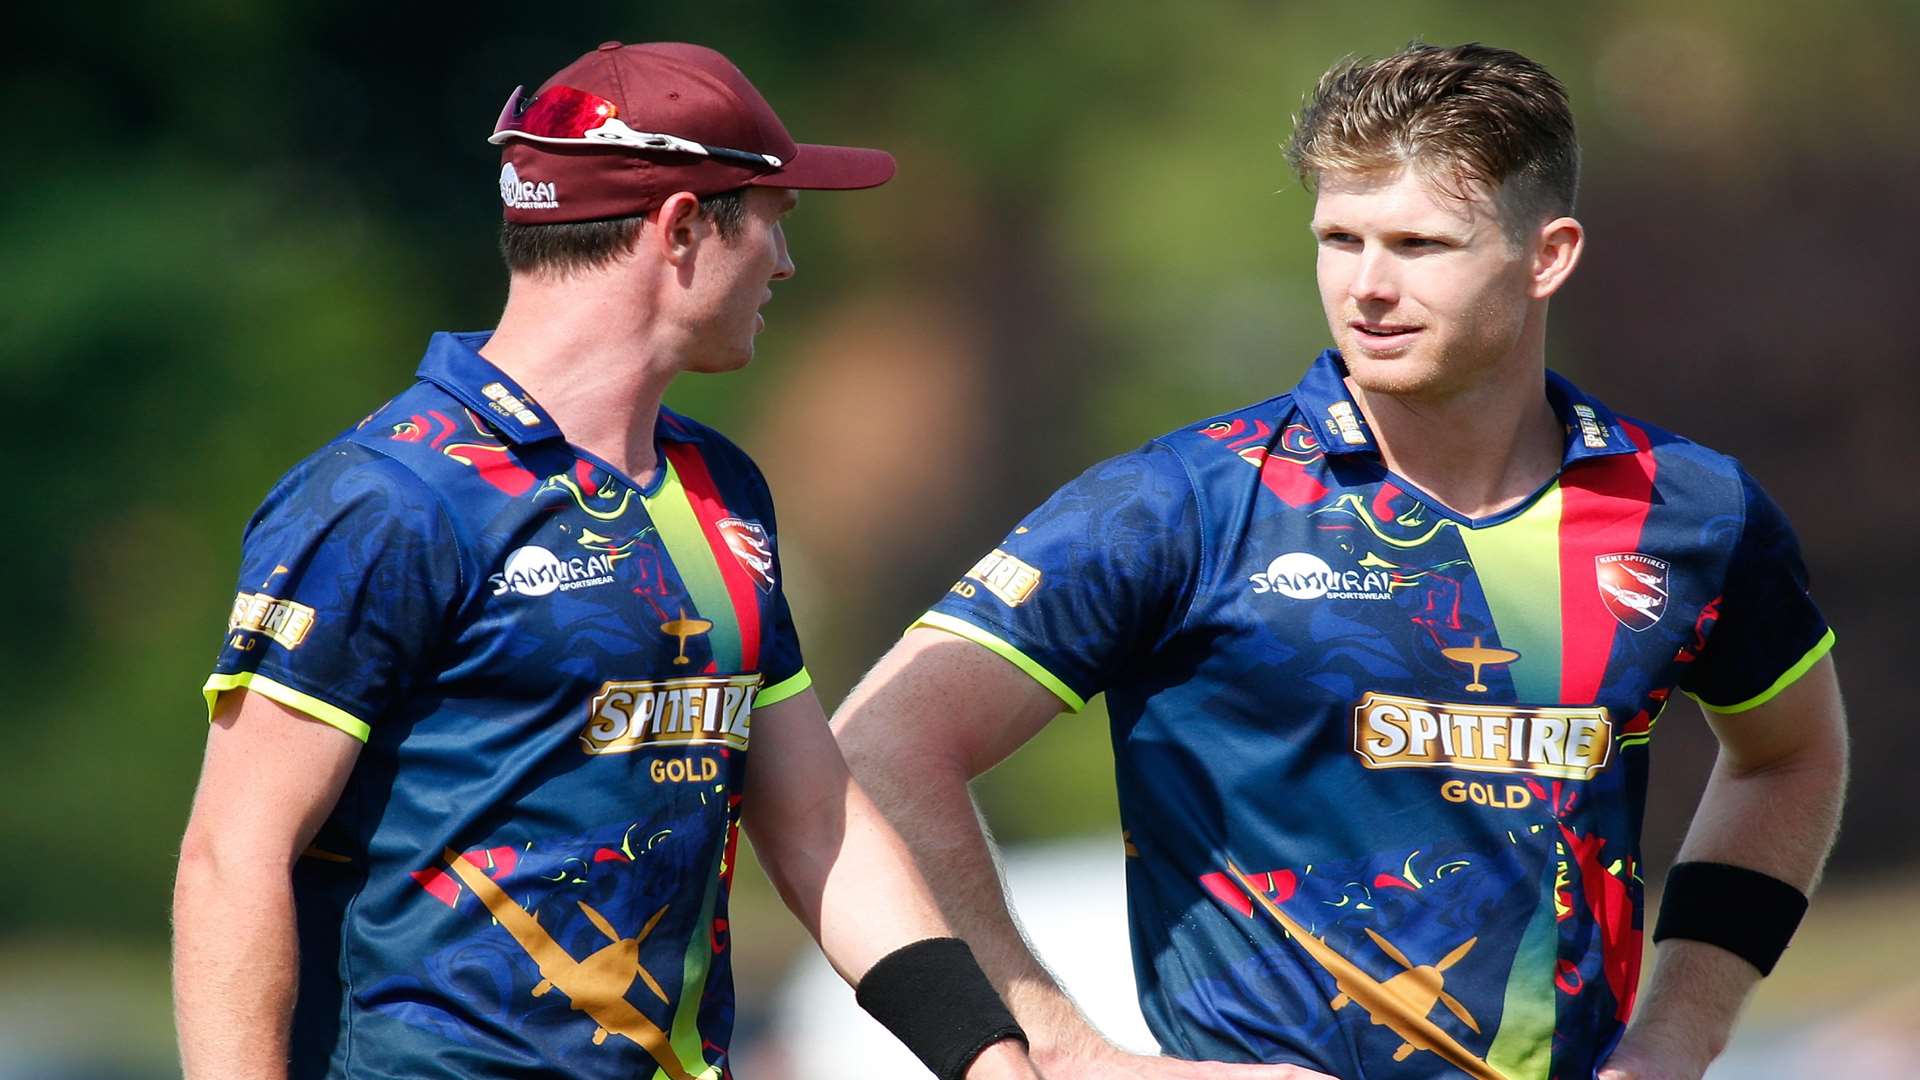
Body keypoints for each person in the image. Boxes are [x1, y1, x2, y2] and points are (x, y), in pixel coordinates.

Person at [833, 42, 1847, 1080]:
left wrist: (1681, 1032)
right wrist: (1065, 1050)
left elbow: (1792, 758)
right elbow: (878, 744)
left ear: (1548, 256)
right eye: (1339, 238)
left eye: (1418, 243)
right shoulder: (1183, 502)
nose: (1367, 286)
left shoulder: (1691, 512)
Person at [173, 41, 1037, 1080]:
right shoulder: (388, 497)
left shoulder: (721, 488)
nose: (786, 264)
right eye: (774, 222)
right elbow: (232, 860)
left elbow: (817, 826)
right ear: (680, 227)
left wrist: (989, 1059)